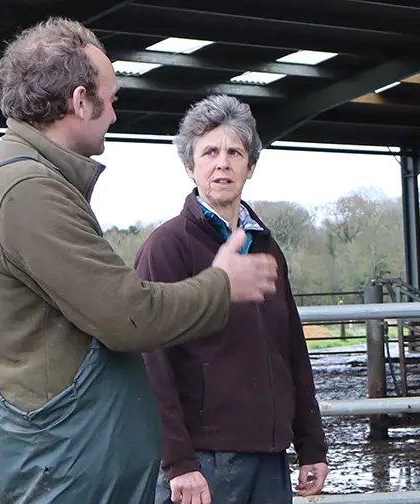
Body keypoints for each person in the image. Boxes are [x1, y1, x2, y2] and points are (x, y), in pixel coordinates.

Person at [0, 17, 281, 504]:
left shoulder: (18, 177)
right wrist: (221, 283)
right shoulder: (29, 191)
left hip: (65, 457)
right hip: (65, 467)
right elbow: (128, 316)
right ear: (80, 101)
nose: (113, 113)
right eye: (109, 99)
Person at [135, 94, 329, 504]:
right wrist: (178, 462)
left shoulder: (267, 247)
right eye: (209, 152)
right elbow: (152, 362)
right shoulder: (167, 247)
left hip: (270, 456)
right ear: (190, 166)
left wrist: (311, 445)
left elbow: (291, 346)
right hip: (204, 461)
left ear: (250, 166)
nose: (222, 162)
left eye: (234, 152)